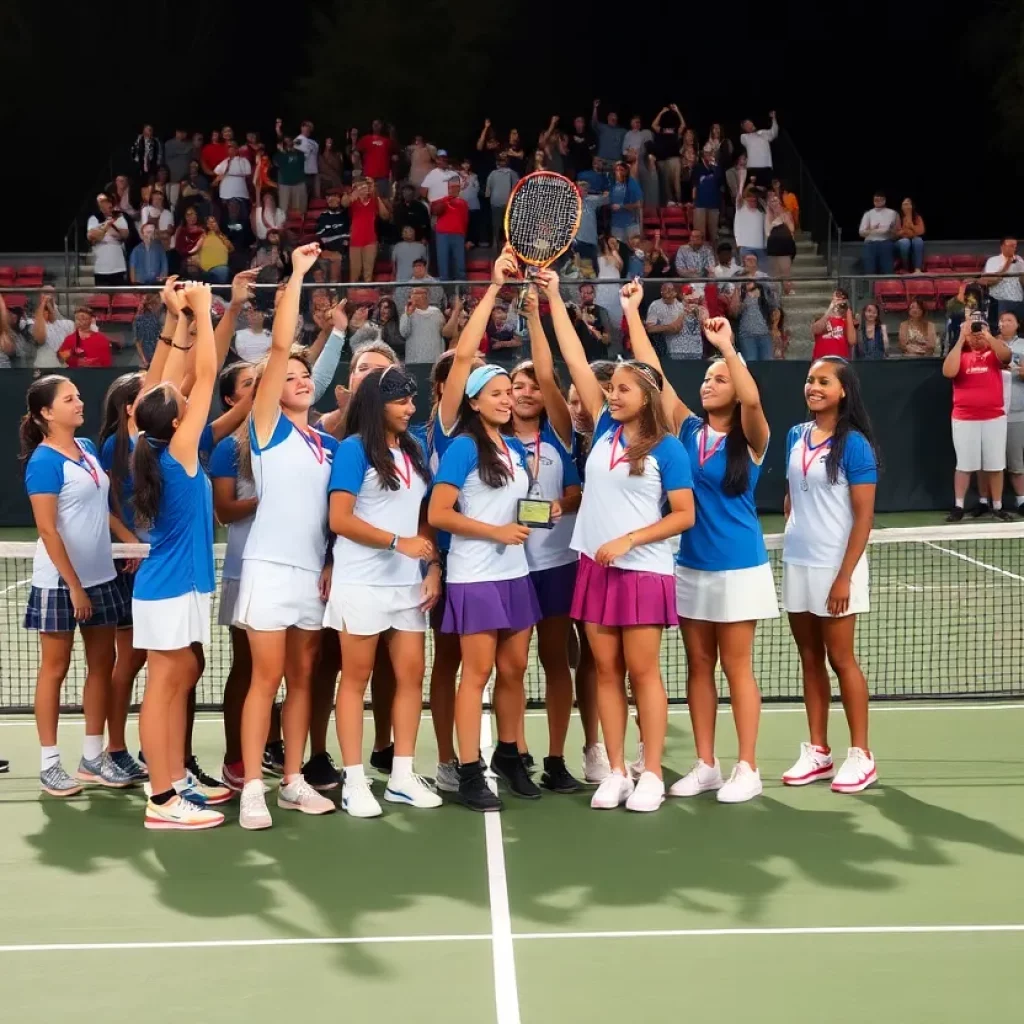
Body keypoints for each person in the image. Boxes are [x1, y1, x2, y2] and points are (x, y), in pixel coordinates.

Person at [538, 269, 695, 813]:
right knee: (604, 671)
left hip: (643, 569)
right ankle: (618, 769)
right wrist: (554, 299)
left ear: (646, 395)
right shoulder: (603, 430)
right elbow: (576, 361)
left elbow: (683, 516)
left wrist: (630, 540)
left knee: (643, 673)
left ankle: (651, 772)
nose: (611, 394)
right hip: (595, 569)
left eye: (623, 388)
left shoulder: (668, 449)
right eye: (611, 389)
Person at [622, 286, 776, 803]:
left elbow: (752, 398)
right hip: (689, 565)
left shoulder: (752, 436)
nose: (710, 384)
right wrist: (631, 311)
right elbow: (652, 372)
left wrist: (729, 348)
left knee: (738, 667)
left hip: (737, 566)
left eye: (719, 379)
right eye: (707, 378)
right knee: (697, 666)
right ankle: (707, 763)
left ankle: (747, 767)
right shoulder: (686, 430)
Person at [427, 247, 544, 811]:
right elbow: (439, 515)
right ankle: (469, 770)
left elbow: (517, 510)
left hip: (516, 573)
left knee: (515, 668)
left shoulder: (516, 448)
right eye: (497, 393)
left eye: (509, 393)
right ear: (473, 401)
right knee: (475, 673)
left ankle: (508, 753)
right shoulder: (460, 446)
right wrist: (495, 290)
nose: (508, 398)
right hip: (474, 574)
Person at [236, 244, 338, 829]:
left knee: (303, 680)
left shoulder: (325, 442)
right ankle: (254, 787)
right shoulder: (267, 428)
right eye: (291, 377)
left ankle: (293, 780)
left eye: (306, 376)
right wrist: (297, 276)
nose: (298, 380)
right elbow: (280, 346)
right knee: (265, 678)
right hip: (270, 569)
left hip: (311, 574)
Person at [130, 281, 227, 831]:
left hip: (176, 584)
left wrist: (181, 319)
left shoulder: (154, 440)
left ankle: (171, 776)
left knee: (184, 670)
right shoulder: (178, 451)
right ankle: (162, 797)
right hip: (167, 589)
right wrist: (204, 307)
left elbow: (169, 383)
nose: (189, 397)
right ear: (175, 422)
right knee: (163, 689)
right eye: (183, 404)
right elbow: (206, 375)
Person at [325, 366, 443, 817]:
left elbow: (422, 517)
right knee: (355, 680)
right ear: (378, 404)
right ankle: (355, 781)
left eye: (412, 401)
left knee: (411, 676)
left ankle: (401, 777)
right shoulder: (354, 450)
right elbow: (341, 519)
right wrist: (397, 543)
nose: (411, 409)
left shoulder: (413, 449)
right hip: (360, 583)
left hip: (406, 585)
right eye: (401, 402)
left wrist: (431, 565)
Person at [21, 375, 136, 797]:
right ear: (46, 413)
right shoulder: (43, 462)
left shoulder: (86, 450)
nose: (79, 401)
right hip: (60, 584)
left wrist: (129, 542)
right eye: (69, 399)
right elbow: (49, 531)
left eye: (78, 395)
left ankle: (92, 757)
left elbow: (100, 510)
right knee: (55, 669)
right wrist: (74, 586)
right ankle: (50, 762)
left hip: (101, 576)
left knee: (101, 666)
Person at [782, 357, 879, 794]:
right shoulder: (795, 436)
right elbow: (792, 497)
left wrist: (844, 577)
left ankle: (861, 755)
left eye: (823, 381)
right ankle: (818, 752)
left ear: (843, 391)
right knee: (809, 657)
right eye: (809, 380)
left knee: (842, 659)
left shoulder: (855, 444)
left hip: (837, 568)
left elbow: (863, 519)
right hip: (798, 563)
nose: (813, 386)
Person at [509, 309, 584, 793]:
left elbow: (577, 492)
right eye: (520, 384)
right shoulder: (489, 439)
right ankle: (513, 754)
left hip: (557, 564)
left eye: (536, 384)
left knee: (555, 661)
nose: (529, 390)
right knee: (511, 667)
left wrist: (559, 504)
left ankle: (556, 759)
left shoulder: (559, 435)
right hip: (510, 568)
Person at [208, 363, 262, 790]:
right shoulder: (228, 447)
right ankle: (235, 758)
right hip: (244, 572)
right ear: (231, 399)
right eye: (249, 384)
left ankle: (274, 748)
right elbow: (224, 510)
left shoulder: (295, 441)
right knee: (248, 666)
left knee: (291, 669)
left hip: (296, 571)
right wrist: (269, 499)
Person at [97, 372, 150, 783]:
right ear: (130, 405)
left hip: (155, 559)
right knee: (128, 658)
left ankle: (150, 743)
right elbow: (107, 505)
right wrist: (129, 541)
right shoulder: (115, 446)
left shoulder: (152, 442)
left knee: (147, 657)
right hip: (127, 561)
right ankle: (115, 748)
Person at [942, 314, 1013, 522]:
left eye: (979, 330)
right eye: (972, 331)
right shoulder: (960, 354)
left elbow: (1006, 356)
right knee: (964, 464)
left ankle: (998, 506)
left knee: (995, 464)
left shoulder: (993, 353)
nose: (976, 335)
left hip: (994, 417)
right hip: (964, 418)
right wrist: (961, 339)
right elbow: (948, 371)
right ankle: (958, 506)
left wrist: (988, 336)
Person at [1000, 312, 1024, 513]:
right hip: (994, 412)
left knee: (1016, 461)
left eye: (1009, 320)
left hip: (1018, 410)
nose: (1004, 323)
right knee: (993, 464)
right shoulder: (989, 344)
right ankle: (991, 503)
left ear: (1017, 325)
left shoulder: (1022, 346)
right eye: (1001, 320)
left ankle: (1021, 500)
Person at [981, 236, 1024, 331]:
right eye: (1010, 245)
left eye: (1015, 246)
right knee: (999, 329)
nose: (1013, 248)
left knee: (1019, 330)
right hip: (999, 301)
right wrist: (1008, 264)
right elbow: (990, 281)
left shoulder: (1020, 260)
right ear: (1002, 246)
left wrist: (1021, 271)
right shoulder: (993, 261)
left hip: (1018, 300)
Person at [858, 192, 898, 275]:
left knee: (888, 271)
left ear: (884, 200)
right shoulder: (868, 214)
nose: (878, 201)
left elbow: (896, 232)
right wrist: (872, 230)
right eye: (876, 200)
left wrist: (890, 231)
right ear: (873, 201)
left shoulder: (892, 213)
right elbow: (861, 232)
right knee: (869, 271)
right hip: (870, 242)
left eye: (880, 200)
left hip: (886, 241)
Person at [811, 290, 856, 361]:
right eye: (837, 298)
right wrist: (830, 308)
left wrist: (848, 311)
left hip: (840, 363)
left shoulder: (848, 321)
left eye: (842, 299)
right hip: (821, 362)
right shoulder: (822, 318)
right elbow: (816, 330)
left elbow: (852, 341)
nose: (839, 302)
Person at [739, 112, 778, 187]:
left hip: (766, 167)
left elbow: (774, 133)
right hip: (753, 168)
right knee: (753, 191)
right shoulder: (744, 137)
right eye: (746, 125)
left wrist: (774, 119)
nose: (748, 125)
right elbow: (752, 136)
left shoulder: (763, 132)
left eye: (749, 123)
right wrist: (754, 131)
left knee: (767, 190)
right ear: (743, 128)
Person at [895, 198, 926, 272]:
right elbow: (895, 234)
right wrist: (909, 232)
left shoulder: (917, 217)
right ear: (901, 207)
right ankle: (905, 268)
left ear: (912, 206)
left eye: (908, 204)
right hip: (900, 242)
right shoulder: (897, 217)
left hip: (913, 240)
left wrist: (911, 226)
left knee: (918, 240)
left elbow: (921, 231)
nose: (906, 206)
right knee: (905, 242)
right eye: (904, 204)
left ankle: (917, 269)